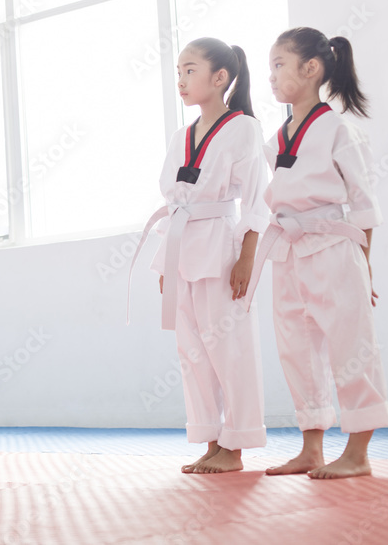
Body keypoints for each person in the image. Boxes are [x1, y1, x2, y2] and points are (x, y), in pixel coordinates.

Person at [246, 27, 388, 479]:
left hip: (334, 248)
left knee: (351, 347)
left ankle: (359, 453)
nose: (270, 76)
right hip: (289, 251)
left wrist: (364, 267)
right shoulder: (278, 136)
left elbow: (365, 206)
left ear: (310, 69)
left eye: (278, 65)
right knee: (297, 348)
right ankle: (311, 448)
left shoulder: (338, 129)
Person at [132, 37, 268, 473]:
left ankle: (237, 445)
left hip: (220, 245)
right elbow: (176, 202)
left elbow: (256, 198)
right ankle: (210, 439)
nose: (181, 79)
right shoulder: (181, 135)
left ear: (220, 77)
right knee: (191, 350)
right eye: (178, 71)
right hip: (181, 246)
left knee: (229, 346)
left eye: (190, 70)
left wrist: (248, 256)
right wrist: (165, 263)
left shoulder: (244, 127)